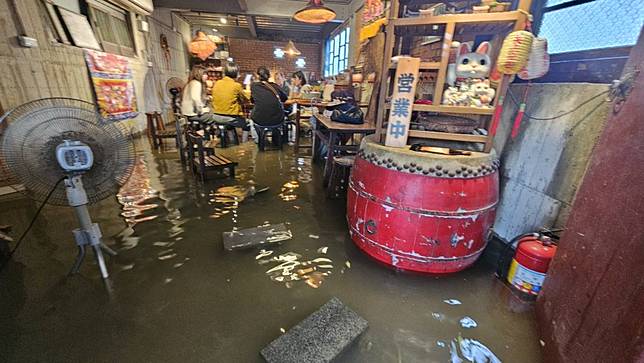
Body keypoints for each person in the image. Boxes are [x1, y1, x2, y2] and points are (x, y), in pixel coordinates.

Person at [211, 62, 251, 140]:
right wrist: (248, 89)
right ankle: (244, 144)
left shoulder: (217, 83)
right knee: (247, 124)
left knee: (230, 126)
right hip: (230, 118)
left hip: (216, 116)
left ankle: (233, 141)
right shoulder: (236, 85)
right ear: (236, 73)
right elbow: (246, 99)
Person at [251, 66, 288, 146]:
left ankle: (259, 140)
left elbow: (252, 100)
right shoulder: (275, 86)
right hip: (278, 119)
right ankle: (276, 141)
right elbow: (285, 98)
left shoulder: (254, 86)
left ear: (257, 76)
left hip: (260, 120)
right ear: (269, 76)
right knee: (274, 115)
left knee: (252, 119)